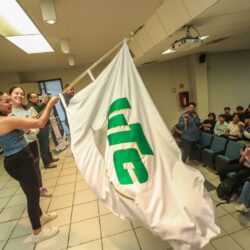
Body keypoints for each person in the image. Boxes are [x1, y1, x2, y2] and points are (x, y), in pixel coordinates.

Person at [0, 91, 60, 242]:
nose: (11, 103)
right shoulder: (5, 121)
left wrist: (26, 121)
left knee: (33, 192)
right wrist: (49, 105)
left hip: (17, 159)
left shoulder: (6, 119)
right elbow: (40, 124)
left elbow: (26, 129)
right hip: (19, 160)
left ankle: (41, 216)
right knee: (33, 197)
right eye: (7, 101)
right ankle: (37, 233)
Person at [9, 86, 52, 197]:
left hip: (32, 142)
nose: (19, 95)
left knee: (36, 167)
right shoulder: (8, 113)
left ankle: (40, 188)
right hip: (20, 148)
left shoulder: (28, 109)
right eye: (16, 93)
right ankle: (33, 194)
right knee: (28, 174)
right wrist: (28, 127)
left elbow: (36, 128)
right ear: (10, 95)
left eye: (22, 93)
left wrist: (28, 131)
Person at [27, 92, 59, 168]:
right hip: (41, 128)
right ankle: (47, 163)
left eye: (36, 97)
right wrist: (44, 103)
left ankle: (50, 158)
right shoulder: (30, 106)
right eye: (34, 97)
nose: (36, 98)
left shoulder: (36, 104)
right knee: (43, 145)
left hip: (45, 126)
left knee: (46, 143)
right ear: (29, 99)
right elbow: (38, 113)